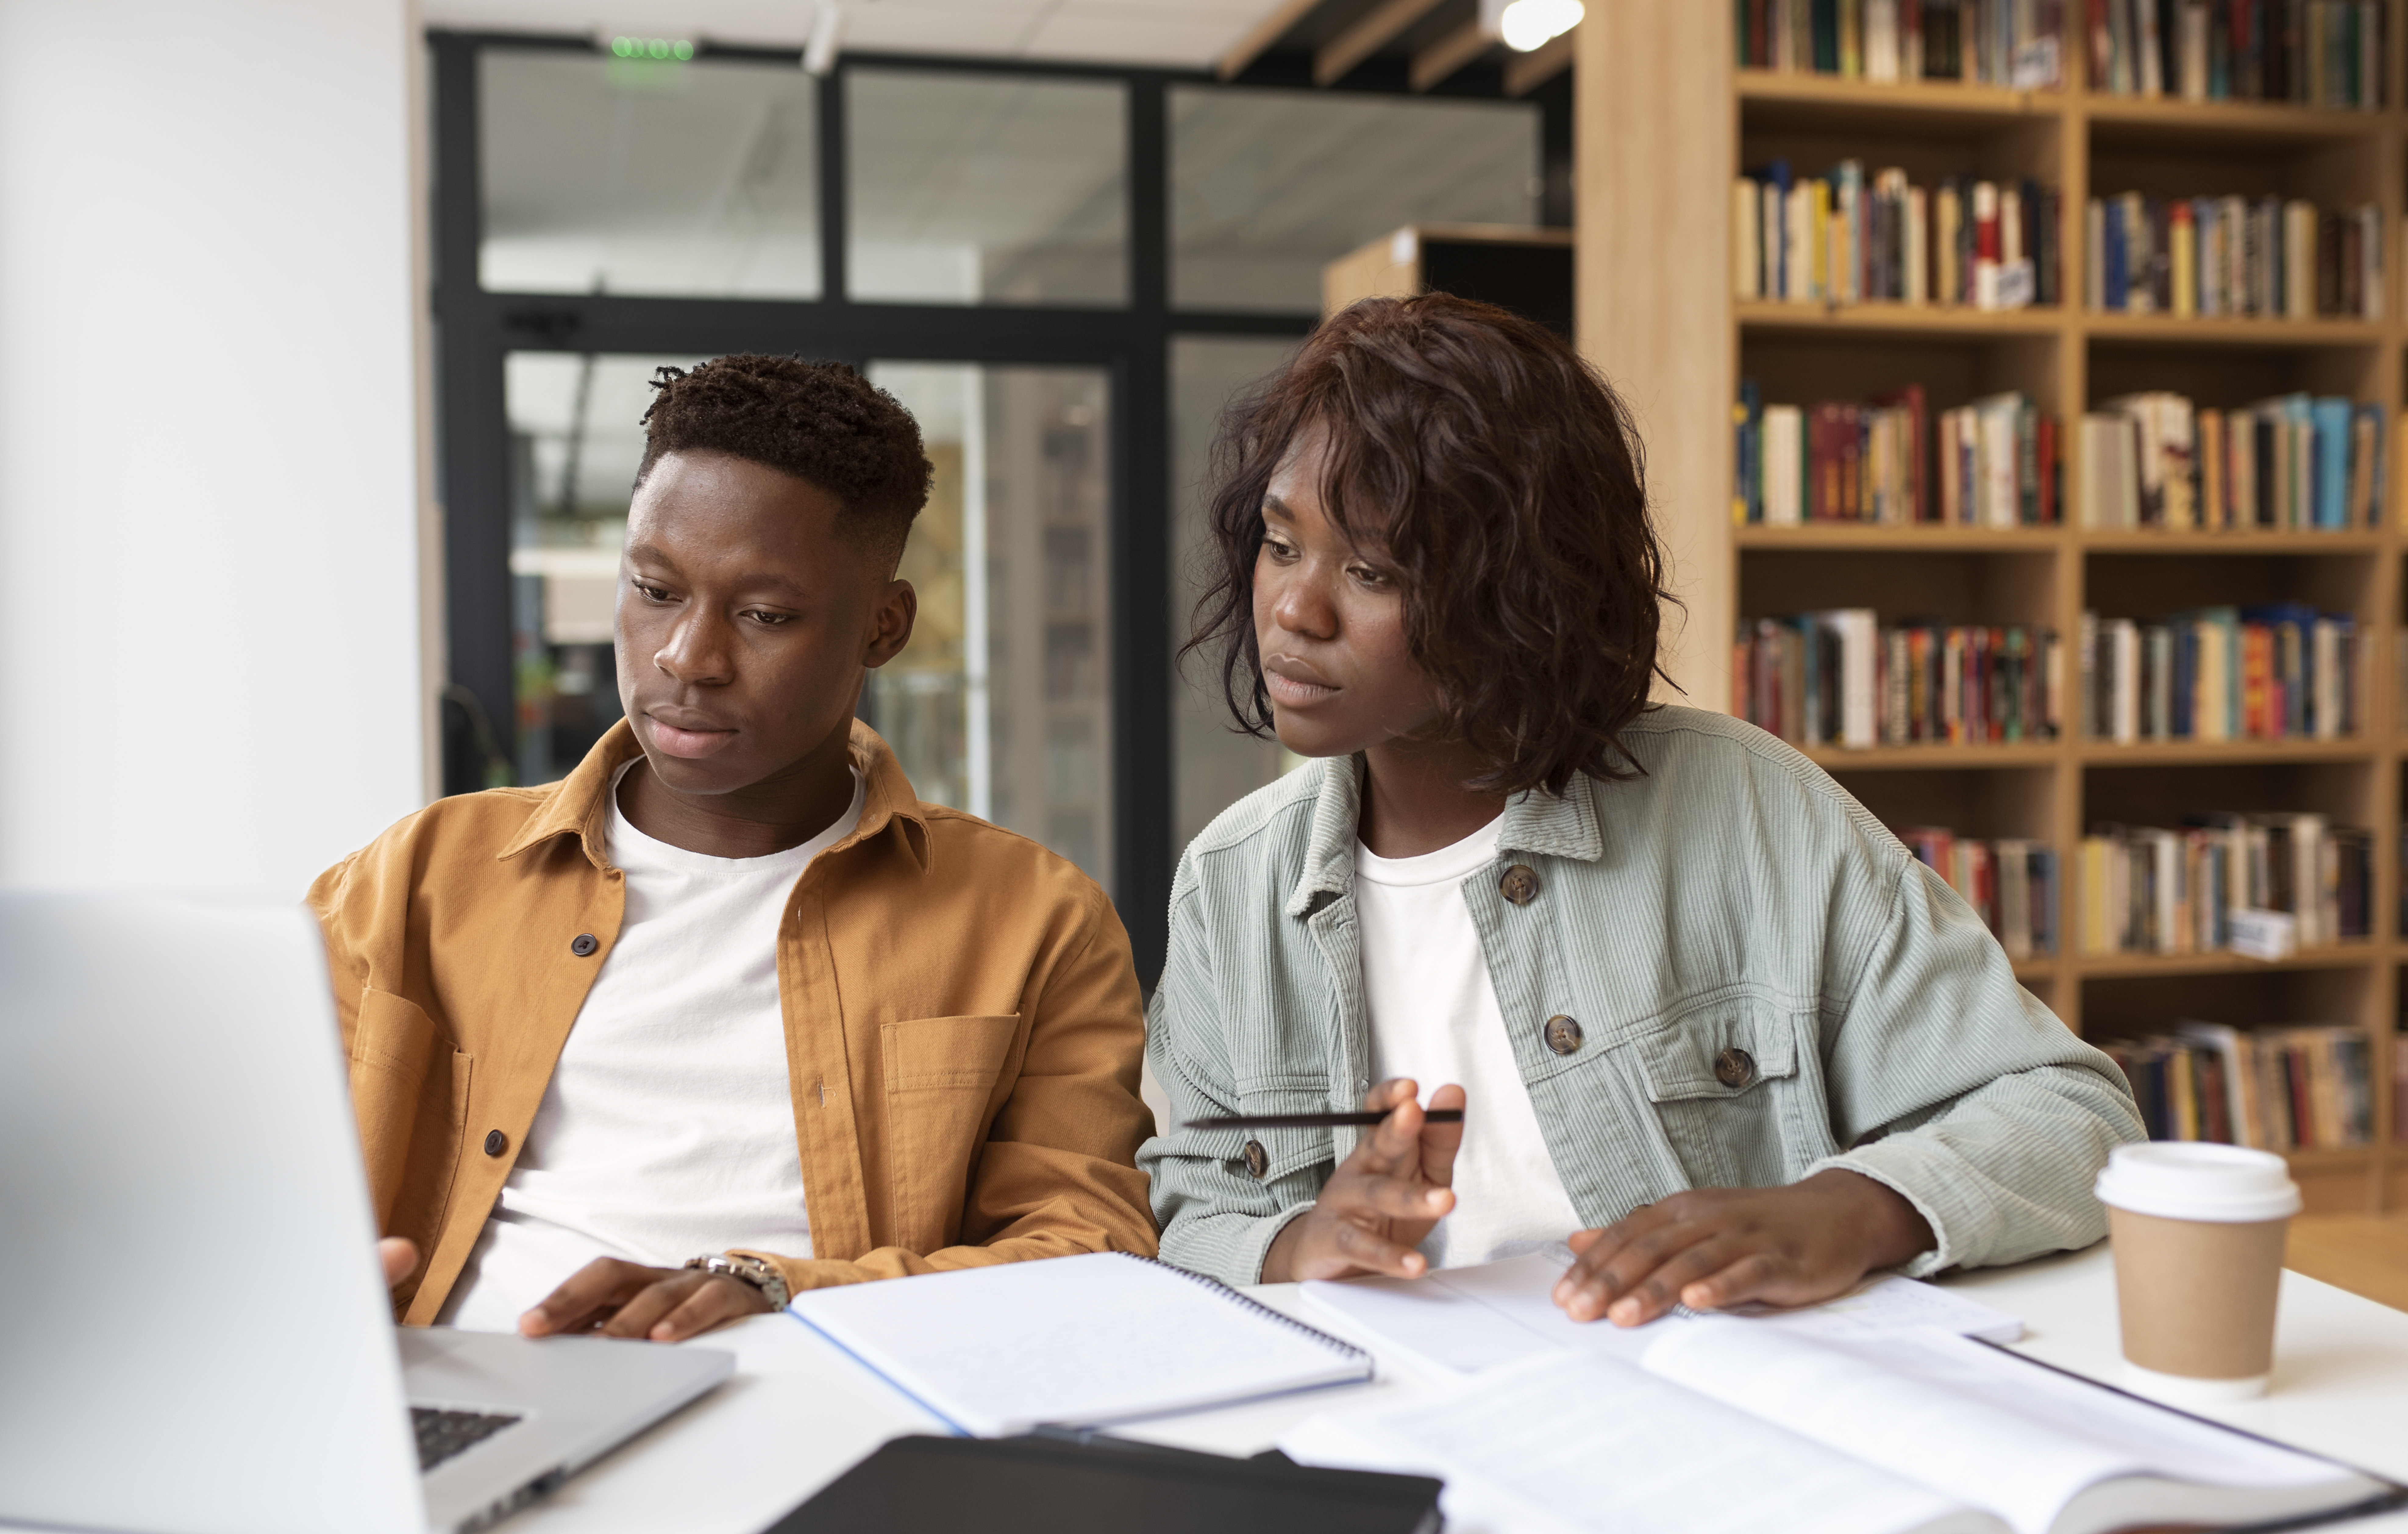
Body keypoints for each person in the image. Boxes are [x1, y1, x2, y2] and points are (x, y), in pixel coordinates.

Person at [1141, 294, 2143, 1324]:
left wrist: (1845, 1211)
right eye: (1278, 543)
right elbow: (1190, 1206)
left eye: (1369, 571)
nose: (1294, 611)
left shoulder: (1750, 811)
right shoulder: (1231, 886)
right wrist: (1301, 1240)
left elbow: (2074, 1115)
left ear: (1515, 592)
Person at [316, 355, 1156, 1343]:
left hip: (831, 1408)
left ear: (882, 628)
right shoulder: (413, 880)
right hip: (477, 1394)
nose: (686, 657)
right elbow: (225, 1170)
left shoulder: (1035, 920)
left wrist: (779, 1288)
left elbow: (1089, 1248)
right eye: (655, 590)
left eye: (764, 615)